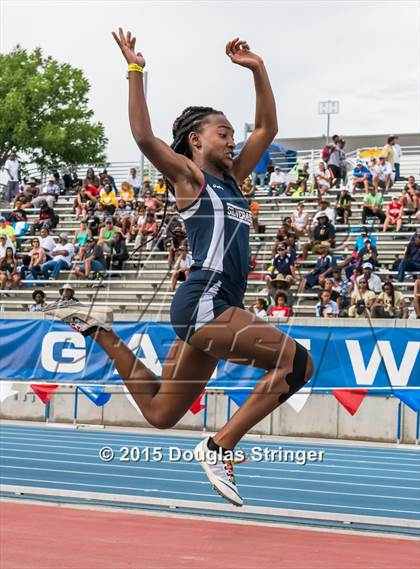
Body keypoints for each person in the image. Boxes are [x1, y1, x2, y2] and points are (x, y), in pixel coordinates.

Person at [46, 29, 313, 508]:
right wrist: (135, 70)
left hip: (217, 307)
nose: (233, 141)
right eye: (223, 133)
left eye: (233, 134)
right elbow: (144, 136)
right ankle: (218, 447)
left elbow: (267, 129)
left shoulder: (233, 180)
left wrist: (258, 68)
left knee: (161, 412)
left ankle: (101, 333)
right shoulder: (191, 179)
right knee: (297, 362)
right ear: (196, 140)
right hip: (203, 306)